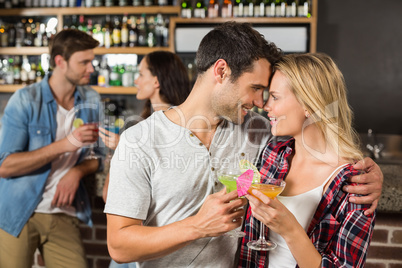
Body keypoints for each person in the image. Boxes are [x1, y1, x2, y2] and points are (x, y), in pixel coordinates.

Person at [104, 22, 383, 268]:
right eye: (256, 89)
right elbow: (119, 246)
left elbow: (317, 143)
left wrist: (369, 174)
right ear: (222, 71)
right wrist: (197, 226)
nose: (261, 103)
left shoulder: (260, 133)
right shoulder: (138, 140)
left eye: (268, 94)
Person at [239, 53, 376, 267]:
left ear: (308, 105)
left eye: (275, 97)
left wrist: (291, 230)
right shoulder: (274, 152)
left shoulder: (355, 185)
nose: (265, 106)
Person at [0, 29, 103, 268]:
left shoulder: (91, 100)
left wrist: (77, 172)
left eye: (92, 61)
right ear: (60, 62)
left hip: (63, 212)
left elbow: (99, 156)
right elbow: (5, 166)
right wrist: (65, 145)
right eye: (84, 62)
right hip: (20, 212)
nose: (91, 68)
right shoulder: (25, 99)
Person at [100, 51, 191, 268]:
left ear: (157, 81)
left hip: (151, 243)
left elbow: (108, 195)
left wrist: (125, 149)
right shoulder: (137, 128)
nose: (136, 80)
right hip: (148, 241)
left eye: (141, 74)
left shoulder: (138, 132)